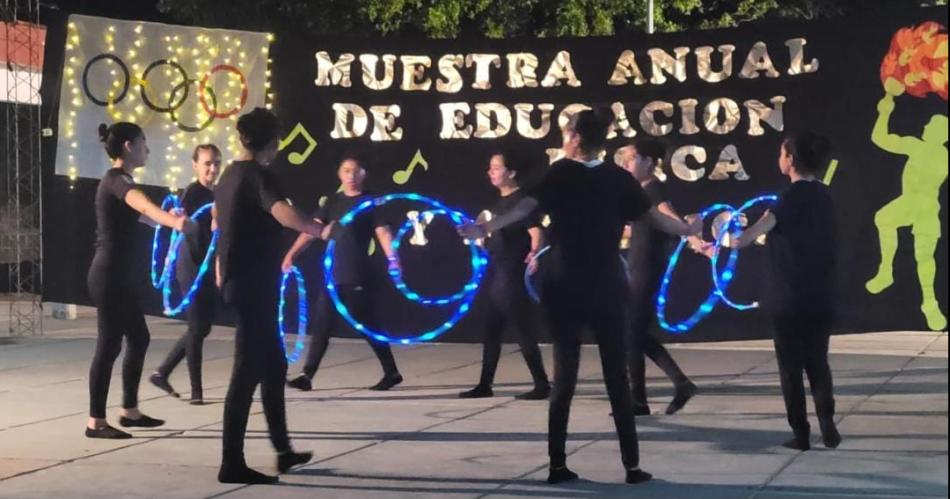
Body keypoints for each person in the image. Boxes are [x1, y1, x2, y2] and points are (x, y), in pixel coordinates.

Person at [460, 109, 701, 485]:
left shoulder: (559, 175)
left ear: (573, 137)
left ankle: (558, 465)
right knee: (616, 377)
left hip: (564, 283)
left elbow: (525, 208)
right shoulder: (618, 179)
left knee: (565, 376)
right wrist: (689, 228)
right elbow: (656, 219)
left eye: (564, 133)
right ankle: (632, 467)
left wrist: (486, 227)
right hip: (605, 284)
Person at [214, 108, 323, 484]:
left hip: (239, 282)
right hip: (251, 285)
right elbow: (282, 213)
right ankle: (231, 462)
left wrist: (220, 271)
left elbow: (220, 224)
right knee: (245, 372)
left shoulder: (229, 174)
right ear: (273, 143)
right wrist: (316, 229)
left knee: (274, 364)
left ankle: (283, 451)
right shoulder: (259, 176)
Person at [731, 132, 842, 451]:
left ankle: (801, 432)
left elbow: (750, 235)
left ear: (791, 159)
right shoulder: (825, 196)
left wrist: (725, 236)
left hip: (788, 298)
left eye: (782, 153)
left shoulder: (788, 199)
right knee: (818, 362)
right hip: (821, 295)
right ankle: (827, 423)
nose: (779, 158)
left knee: (791, 367)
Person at [86, 122, 191, 439]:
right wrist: (174, 222)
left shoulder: (122, 181)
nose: (148, 148)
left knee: (139, 338)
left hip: (118, 276)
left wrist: (174, 218)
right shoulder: (117, 181)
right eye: (144, 142)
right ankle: (96, 422)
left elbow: (145, 216)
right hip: (108, 275)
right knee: (108, 346)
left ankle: (129, 411)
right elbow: (143, 205)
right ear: (129, 146)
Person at [285, 155, 403, 392]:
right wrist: (291, 254)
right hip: (333, 275)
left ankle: (391, 371)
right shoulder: (333, 202)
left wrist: (393, 258)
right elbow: (312, 230)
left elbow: (383, 232)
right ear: (339, 174)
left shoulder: (371, 202)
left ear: (363, 175)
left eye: (356, 171)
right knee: (322, 326)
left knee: (367, 325)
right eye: (346, 171)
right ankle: (307, 375)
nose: (351, 176)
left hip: (356, 274)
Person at [458, 150, 550, 400]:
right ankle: (485, 384)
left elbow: (536, 232)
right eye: (490, 168)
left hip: (512, 272)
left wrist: (534, 254)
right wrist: (480, 242)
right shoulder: (499, 204)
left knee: (522, 330)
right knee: (491, 329)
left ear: (512, 172)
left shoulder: (522, 201)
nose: (491, 172)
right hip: (496, 269)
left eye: (497, 168)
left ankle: (541, 384)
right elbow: (495, 238)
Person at [614, 140, 697, 415]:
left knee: (632, 334)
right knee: (635, 333)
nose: (626, 165)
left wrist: (694, 236)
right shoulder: (641, 191)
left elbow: (670, 218)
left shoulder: (652, 189)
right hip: (639, 264)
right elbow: (644, 226)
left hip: (646, 268)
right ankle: (677, 384)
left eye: (631, 159)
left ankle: (639, 400)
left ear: (649, 161)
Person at [150, 144, 222, 405]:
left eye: (216, 163)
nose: (213, 168)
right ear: (195, 165)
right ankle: (196, 391)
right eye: (207, 163)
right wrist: (182, 219)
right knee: (198, 326)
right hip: (190, 265)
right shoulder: (193, 192)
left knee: (201, 327)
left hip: (205, 262)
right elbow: (183, 219)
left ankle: (162, 373)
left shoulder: (217, 194)